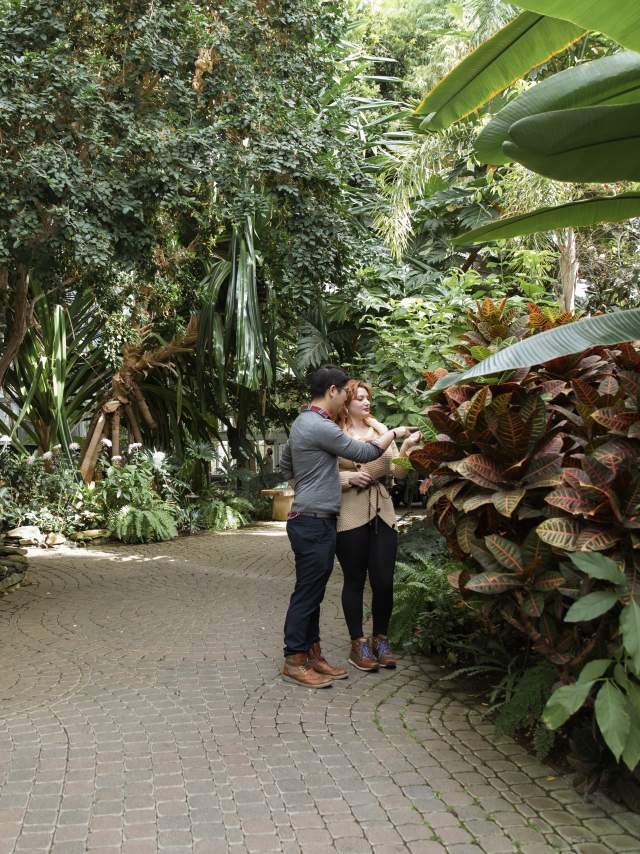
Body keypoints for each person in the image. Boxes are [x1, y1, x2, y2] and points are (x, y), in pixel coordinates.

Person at [279, 365, 414, 689]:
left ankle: (312, 654)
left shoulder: (304, 423)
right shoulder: (319, 425)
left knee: (313, 592)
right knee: (307, 594)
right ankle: (294, 660)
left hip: (315, 520)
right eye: (344, 392)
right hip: (313, 521)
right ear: (333, 392)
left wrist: (314, 479)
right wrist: (394, 433)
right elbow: (365, 451)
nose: (347, 398)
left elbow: (286, 465)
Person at [336, 380, 422, 671]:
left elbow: (397, 470)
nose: (366, 402)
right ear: (346, 403)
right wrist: (346, 479)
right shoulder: (337, 433)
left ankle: (380, 639)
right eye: (359, 398)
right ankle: (358, 643)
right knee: (355, 580)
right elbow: (326, 472)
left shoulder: (381, 430)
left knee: (384, 582)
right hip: (349, 512)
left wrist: (407, 448)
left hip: (382, 511)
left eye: (367, 398)